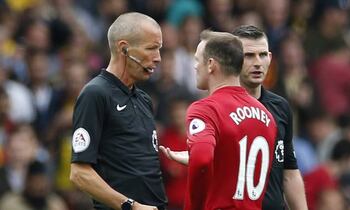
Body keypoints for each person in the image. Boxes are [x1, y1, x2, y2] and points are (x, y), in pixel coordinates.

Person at [160, 25, 308, 210]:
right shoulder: (265, 117)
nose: (257, 62)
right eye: (248, 55)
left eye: (262, 55)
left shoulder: (277, 108)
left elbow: (289, 173)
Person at [69, 12, 167, 210]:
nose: (158, 58)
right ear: (124, 48)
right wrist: (131, 206)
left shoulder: (144, 99)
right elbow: (79, 173)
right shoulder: (95, 94)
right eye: (151, 48)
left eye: (159, 49)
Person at [183, 30, 277, 210]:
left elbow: (202, 160)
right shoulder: (266, 115)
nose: (195, 66)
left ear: (210, 64)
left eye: (197, 60)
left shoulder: (205, 109)